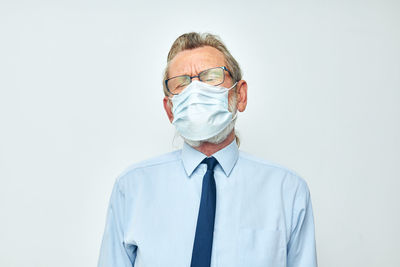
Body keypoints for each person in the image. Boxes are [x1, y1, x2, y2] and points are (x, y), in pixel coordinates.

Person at [98, 32, 318, 267]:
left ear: (240, 95)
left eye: (211, 77)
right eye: (181, 82)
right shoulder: (132, 188)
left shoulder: (287, 191)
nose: (195, 91)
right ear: (170, 109)